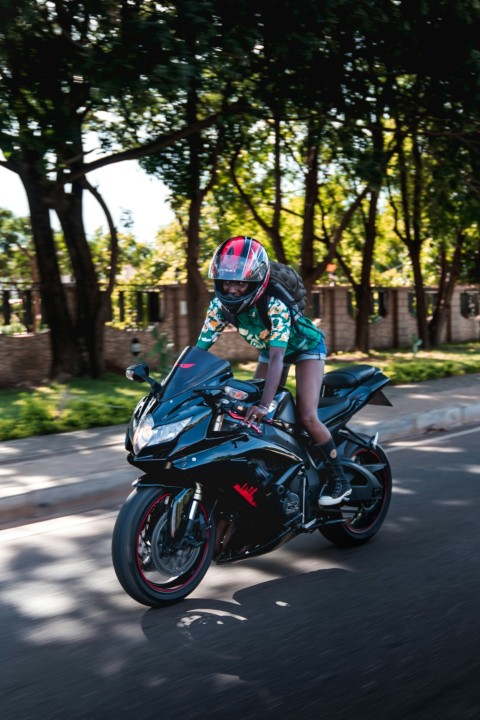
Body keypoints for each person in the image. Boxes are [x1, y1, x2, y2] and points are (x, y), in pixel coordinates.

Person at [196, 235, 351, 506]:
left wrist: (265, 405)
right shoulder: (218, 307)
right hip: (270, 349)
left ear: (255, 282)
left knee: (306, 415)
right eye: (228, 282)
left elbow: (279, 358)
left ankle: (339, 480)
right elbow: (199, 351)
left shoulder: (274, 303)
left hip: (304, 348)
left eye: (240, 283)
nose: (232, 289)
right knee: (248, 412)